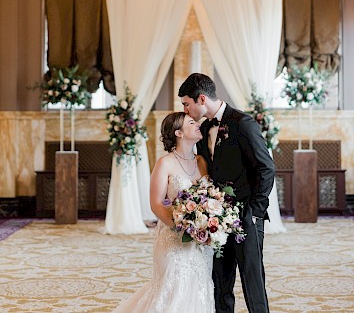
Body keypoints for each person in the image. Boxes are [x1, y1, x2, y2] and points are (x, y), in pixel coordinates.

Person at [178, 73, 275, 313]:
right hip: (216, 218)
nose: (185, 110)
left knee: (252, 279)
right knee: (220, 280)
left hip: (246, 216)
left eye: (186, 104)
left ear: (201, 99)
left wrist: (255, 212)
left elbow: (266, 168)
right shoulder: (203, 129)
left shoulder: (243, 123)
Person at [112, 112, 214, 313]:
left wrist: (206, 226)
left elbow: (209, 196)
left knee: (199, 286)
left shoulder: (202, 161)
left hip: (201, 241)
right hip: (173, 237)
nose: (197, 125)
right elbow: (156, 204)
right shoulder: (165, 163)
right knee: (172, 288)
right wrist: (183, 228)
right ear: (179, 133)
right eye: (191, 123)